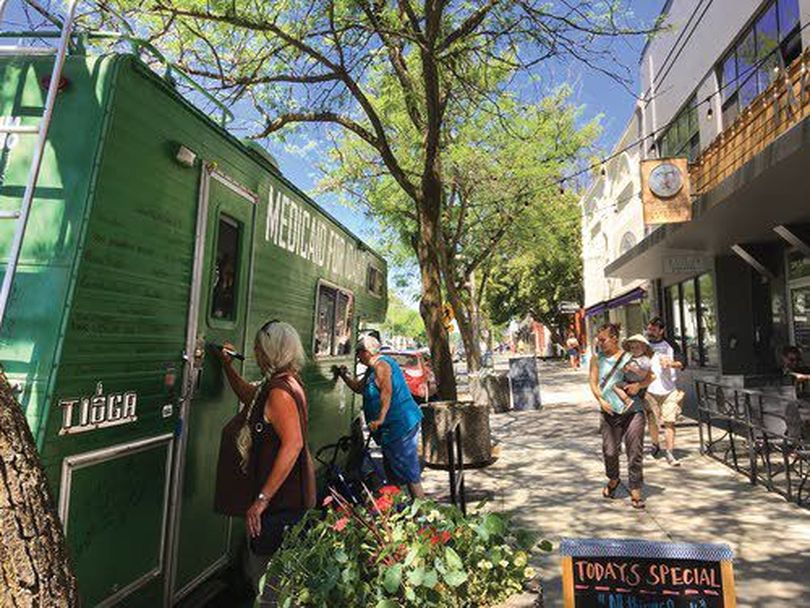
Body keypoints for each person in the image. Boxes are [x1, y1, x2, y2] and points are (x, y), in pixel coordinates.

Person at [212, 320, 316, 597]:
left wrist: (262, 500)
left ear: (271, 350)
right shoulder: (283, 382)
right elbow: (250, 396)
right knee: (271, 579)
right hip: (285, 502)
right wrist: (226, 366)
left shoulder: (280, 391)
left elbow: (292, 444)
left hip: (280, 506)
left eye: (259, 348)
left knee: (269, 585)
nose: (256, 354)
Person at [334, 334, 425, 498]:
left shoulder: (381, 365)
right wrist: (343, 376)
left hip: (400, 425)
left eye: (358, 351)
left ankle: (423, 512)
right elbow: (358, 388)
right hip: (391, 429)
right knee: (391, 469)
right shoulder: (372, 368)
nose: (357, 355)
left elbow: (386, 392)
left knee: (409, 472)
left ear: (367, 352)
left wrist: (381, 418)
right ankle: (397, 510)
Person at [589, 323, 653, 509]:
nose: (600, 343)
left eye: (603, 339)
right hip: (609, 411)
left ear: (614, 338)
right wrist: (601, 401)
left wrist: (639, 386)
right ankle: (614, 479)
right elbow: (593, 383)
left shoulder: (629, 357)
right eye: (598, 340)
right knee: (610, 451)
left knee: (635, 451)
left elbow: (650, 376)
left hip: (634, 410)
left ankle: (636, 491)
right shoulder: (596, 359)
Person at [645, 317, 687, 467]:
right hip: (650, 390)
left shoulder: (671, 345)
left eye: (653, 330)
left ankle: (670, 452)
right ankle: (655, 445)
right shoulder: (644, 345)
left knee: (670, 422)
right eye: (649, 329)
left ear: (661, 331)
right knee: (653, 422)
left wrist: (671, 363)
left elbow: (682, 363)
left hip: (669, 390)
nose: (650, 332)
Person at [612, 334, 654, 411]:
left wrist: (633, 369)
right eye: (632, 348)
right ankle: (627, 400)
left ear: (644, 348)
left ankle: (629, 402)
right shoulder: (629, 358)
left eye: (637, 347)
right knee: (615, 386)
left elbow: (644, 373)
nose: (634, 350)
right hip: (628, 381)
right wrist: (625, 369)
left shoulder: (644, 360)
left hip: (639, 383)